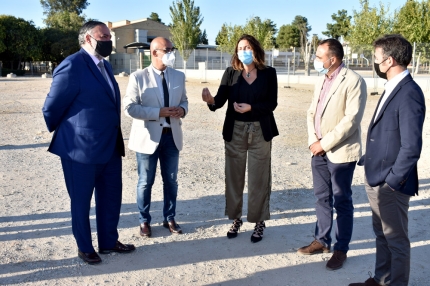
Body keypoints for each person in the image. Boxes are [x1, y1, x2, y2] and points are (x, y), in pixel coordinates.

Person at [42, 21, 135, 265]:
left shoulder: (105, 65)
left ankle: (108, 241)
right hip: (80, 150)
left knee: (111, 198)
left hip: (110, 147)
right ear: (87, 39)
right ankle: (85, 247)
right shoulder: (72, 65)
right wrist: (70, 133)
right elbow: (51, 107)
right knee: (81, 201)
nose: (108, 40)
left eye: (109, 36)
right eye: (103, 36)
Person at [350, 35, 426, 286]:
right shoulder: (393, 87)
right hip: (376, 176)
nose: (374, 62)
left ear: (389, 60)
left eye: (376, 58)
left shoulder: (409, 93)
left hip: (390, 183)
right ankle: (381, 280)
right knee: (381, 235)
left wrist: (391, 182)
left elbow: (411, 147)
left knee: (396, 240)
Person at [297, 39, 367, 270]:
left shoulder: (354, 81)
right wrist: (312, 141)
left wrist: (324, 144)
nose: (316, 60)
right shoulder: (321, 80)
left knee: (342, 201)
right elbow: (311, 112)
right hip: (317, 150)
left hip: (340, 152)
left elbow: (351, 120)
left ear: (333, 59)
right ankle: (322, 240)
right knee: (321, 198)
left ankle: (341, 249)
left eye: (319, 56)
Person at [201, 34, 278, 243]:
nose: (243, 51)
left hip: (260, 131)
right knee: (234, 178)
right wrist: (210, 100)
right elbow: (219, 101)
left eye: (247, 47)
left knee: (259, 179)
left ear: (256, 50)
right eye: (240, 47)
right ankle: (236, 218)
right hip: (234, 131)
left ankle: (259, 221)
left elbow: (272, 103)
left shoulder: (269, 73)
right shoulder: (231, 73)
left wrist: (252, 107)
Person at [123, 37, 188, 237]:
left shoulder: (178, 76)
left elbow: (185, 101)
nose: (171, 53)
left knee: (171, 181)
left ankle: (169, 217)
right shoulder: (137, 77)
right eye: (167, 50)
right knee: (145, 182)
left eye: (172, 49)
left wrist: (182, 110)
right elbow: (129, 108)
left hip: (171, 137)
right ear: (154, 52)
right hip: (148, 138)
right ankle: (144, 221)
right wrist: (158, 112)